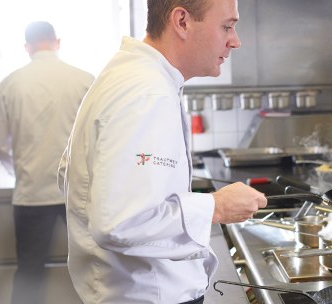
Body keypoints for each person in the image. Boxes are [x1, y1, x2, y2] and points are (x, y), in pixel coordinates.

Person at [57, 0, 266, 303]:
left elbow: (70, 176)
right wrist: (215, 206)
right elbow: (119, 222)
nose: (235, 40)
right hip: (147, 295)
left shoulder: (131, 76)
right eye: (227, 26)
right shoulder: (146, 92)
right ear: (182, 21)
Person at [0, 21, 95, 304]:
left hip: (31, 195)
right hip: (79, 195)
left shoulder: (10, 84)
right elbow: (102, 138)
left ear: (27, 48)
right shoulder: (85, 80)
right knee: (96, 271)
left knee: (29, 273)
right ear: (56, 42)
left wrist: (21, 170)